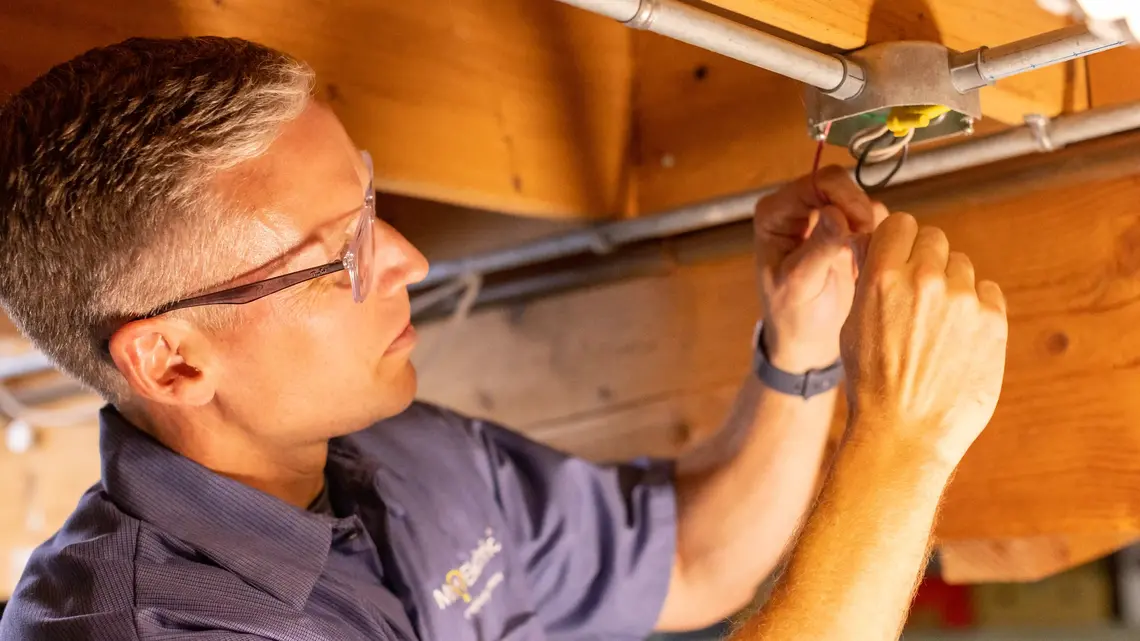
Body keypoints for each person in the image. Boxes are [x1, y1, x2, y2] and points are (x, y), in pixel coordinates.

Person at [0, 37, 1006, 641]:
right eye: (339, 251)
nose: (410, 258)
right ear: (172, 358)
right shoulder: (140, 627)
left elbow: (694, 557)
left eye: (370, 200)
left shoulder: (397, 452)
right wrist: (903, 441)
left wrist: (802, 346)